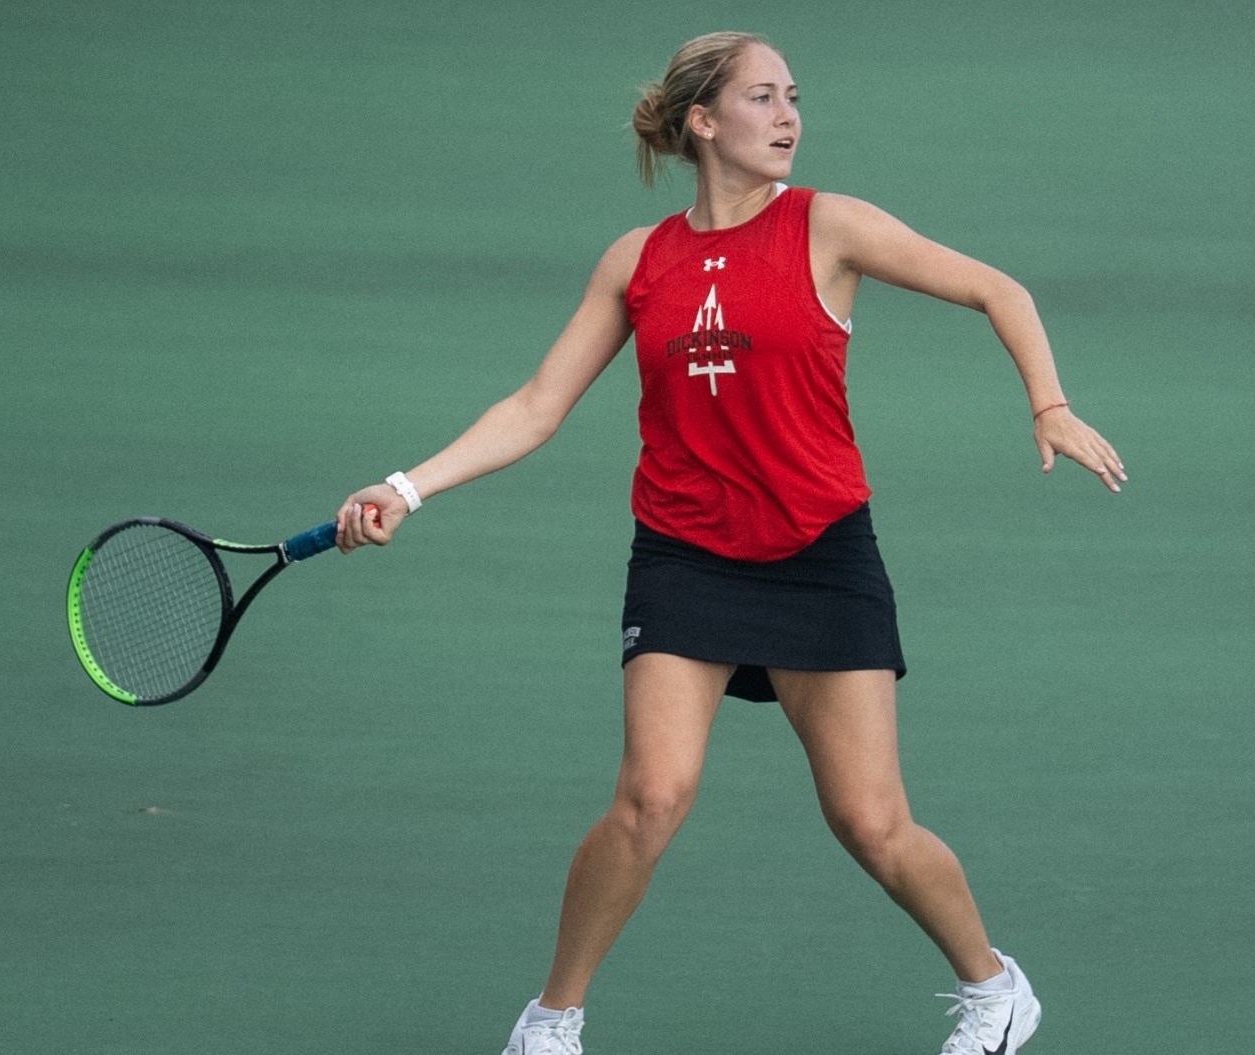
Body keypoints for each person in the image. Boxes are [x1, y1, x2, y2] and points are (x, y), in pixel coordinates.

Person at [332, 30, 1125, 1055]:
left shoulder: (828, 226)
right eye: (761, 97)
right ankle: (550, 1021)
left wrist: (1047, 403)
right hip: (686, 553)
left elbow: (996, 289)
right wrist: (407, 487)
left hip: (819, 551)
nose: (787, 116)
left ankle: (994, 987)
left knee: (870, 822)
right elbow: (535, 405)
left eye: (793, 96)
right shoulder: (638, 259)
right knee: (648, 797)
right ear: (701, 121)